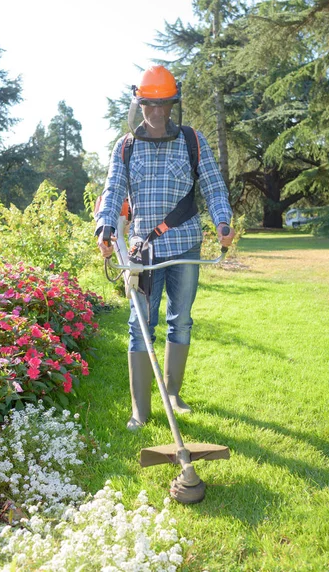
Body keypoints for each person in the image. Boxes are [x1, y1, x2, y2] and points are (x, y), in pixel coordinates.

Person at [95, 65, 235, 430]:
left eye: (164, 106)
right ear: (138, 106)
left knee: (181, 321)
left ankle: (173, 394)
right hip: (145, 252)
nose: (157, 114)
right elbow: (112, 191)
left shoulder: (193, 140)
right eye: (149, 106)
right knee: (139, 325)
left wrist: (223, 222)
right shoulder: (125, 147)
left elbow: (214, 186)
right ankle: (140, 410)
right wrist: (105, 228)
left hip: (186, 245)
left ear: (174, 106)